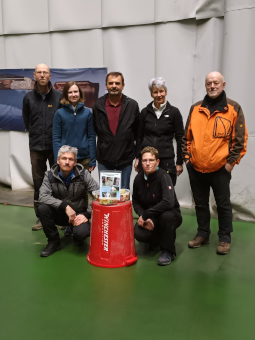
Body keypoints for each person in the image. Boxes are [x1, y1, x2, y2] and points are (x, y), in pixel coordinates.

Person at [182, 71, 248, 255]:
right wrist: (187, 160)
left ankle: (224, 238)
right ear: (205, 85)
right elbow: (186, 138)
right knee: (201, 204)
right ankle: (203, 234)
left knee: (223, 204)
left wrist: (229, 164)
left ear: (223, 85)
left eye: (216, 83)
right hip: (196, 168)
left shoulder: (233, 108)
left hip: (220, 168)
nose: (212, 86)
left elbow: (240, 141)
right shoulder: (195, 109)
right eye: (209, 83)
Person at [37, 145, 99, 257]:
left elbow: (98, 194)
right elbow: (42, 196)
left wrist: (87, 214)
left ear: (75, 162)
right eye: (64, 158)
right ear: (58, 160)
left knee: (82, 233)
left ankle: (77, 236)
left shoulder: (84, 174)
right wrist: (64, 206)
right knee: (42, 208)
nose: (67, 162)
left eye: (70, 159)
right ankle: (53, 242)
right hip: (60, 212)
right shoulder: (49, 175)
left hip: (79, 214)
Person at [22, 63, 62, 231]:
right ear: (35, 75)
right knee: (38, 182)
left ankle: (59, 216)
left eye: (45, 72)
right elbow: (27, 120)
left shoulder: (59, 96)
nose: (43, 75)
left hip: (55, 147)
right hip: (36, 146)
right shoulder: (28, 98)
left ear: (50, 76)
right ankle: (40, 217)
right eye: (39, 72)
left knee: (57, 181)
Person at [132, 146, 182, 266]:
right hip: (151, 216)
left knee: (167, 216)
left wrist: (146, 214)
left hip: (170, 214)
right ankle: (157, 239)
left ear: (157, 161)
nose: (148, 163)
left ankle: (167, 251)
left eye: (151, 160)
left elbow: (168, 202)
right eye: (144, 160)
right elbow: (136, 201)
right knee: (139, 233)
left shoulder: (164, 176)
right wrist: (144, 216)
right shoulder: (138, 179)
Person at [93, 72, 140, 189]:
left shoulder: (132, 105)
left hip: (125, 160)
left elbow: (138, 133)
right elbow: (94, 131)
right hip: (105, 160)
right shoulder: (98, 105)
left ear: (123, 85)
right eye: (111, 83)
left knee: (123, 196)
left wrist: (138, 156)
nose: (114, 86)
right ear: (106, 85)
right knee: (109, 195)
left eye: (117, 83)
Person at [135, 77, 184, 186]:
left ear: (166, 92)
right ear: (151, 94)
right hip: (147, 160)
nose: (159, 95)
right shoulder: (144, 112)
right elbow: (139, 136)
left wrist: (179, 162)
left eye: (161, 91)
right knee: (147, 190)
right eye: (155, 92)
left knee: (167, 189)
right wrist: (138, 158)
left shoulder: (174, 112)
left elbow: (181, 138)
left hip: (167, 160)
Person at [52, 81, 96, 171]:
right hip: (66, 158)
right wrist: (58, 159)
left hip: (84, 158)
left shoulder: (88, 113)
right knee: (66, 185)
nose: (73, 94)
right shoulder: (59, 113)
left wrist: (92, 159)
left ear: (80, 93)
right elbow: (56, 138)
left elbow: (91, 137)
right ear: (66, 94)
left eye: (75, 91)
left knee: (83, 184)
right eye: (70, 92)